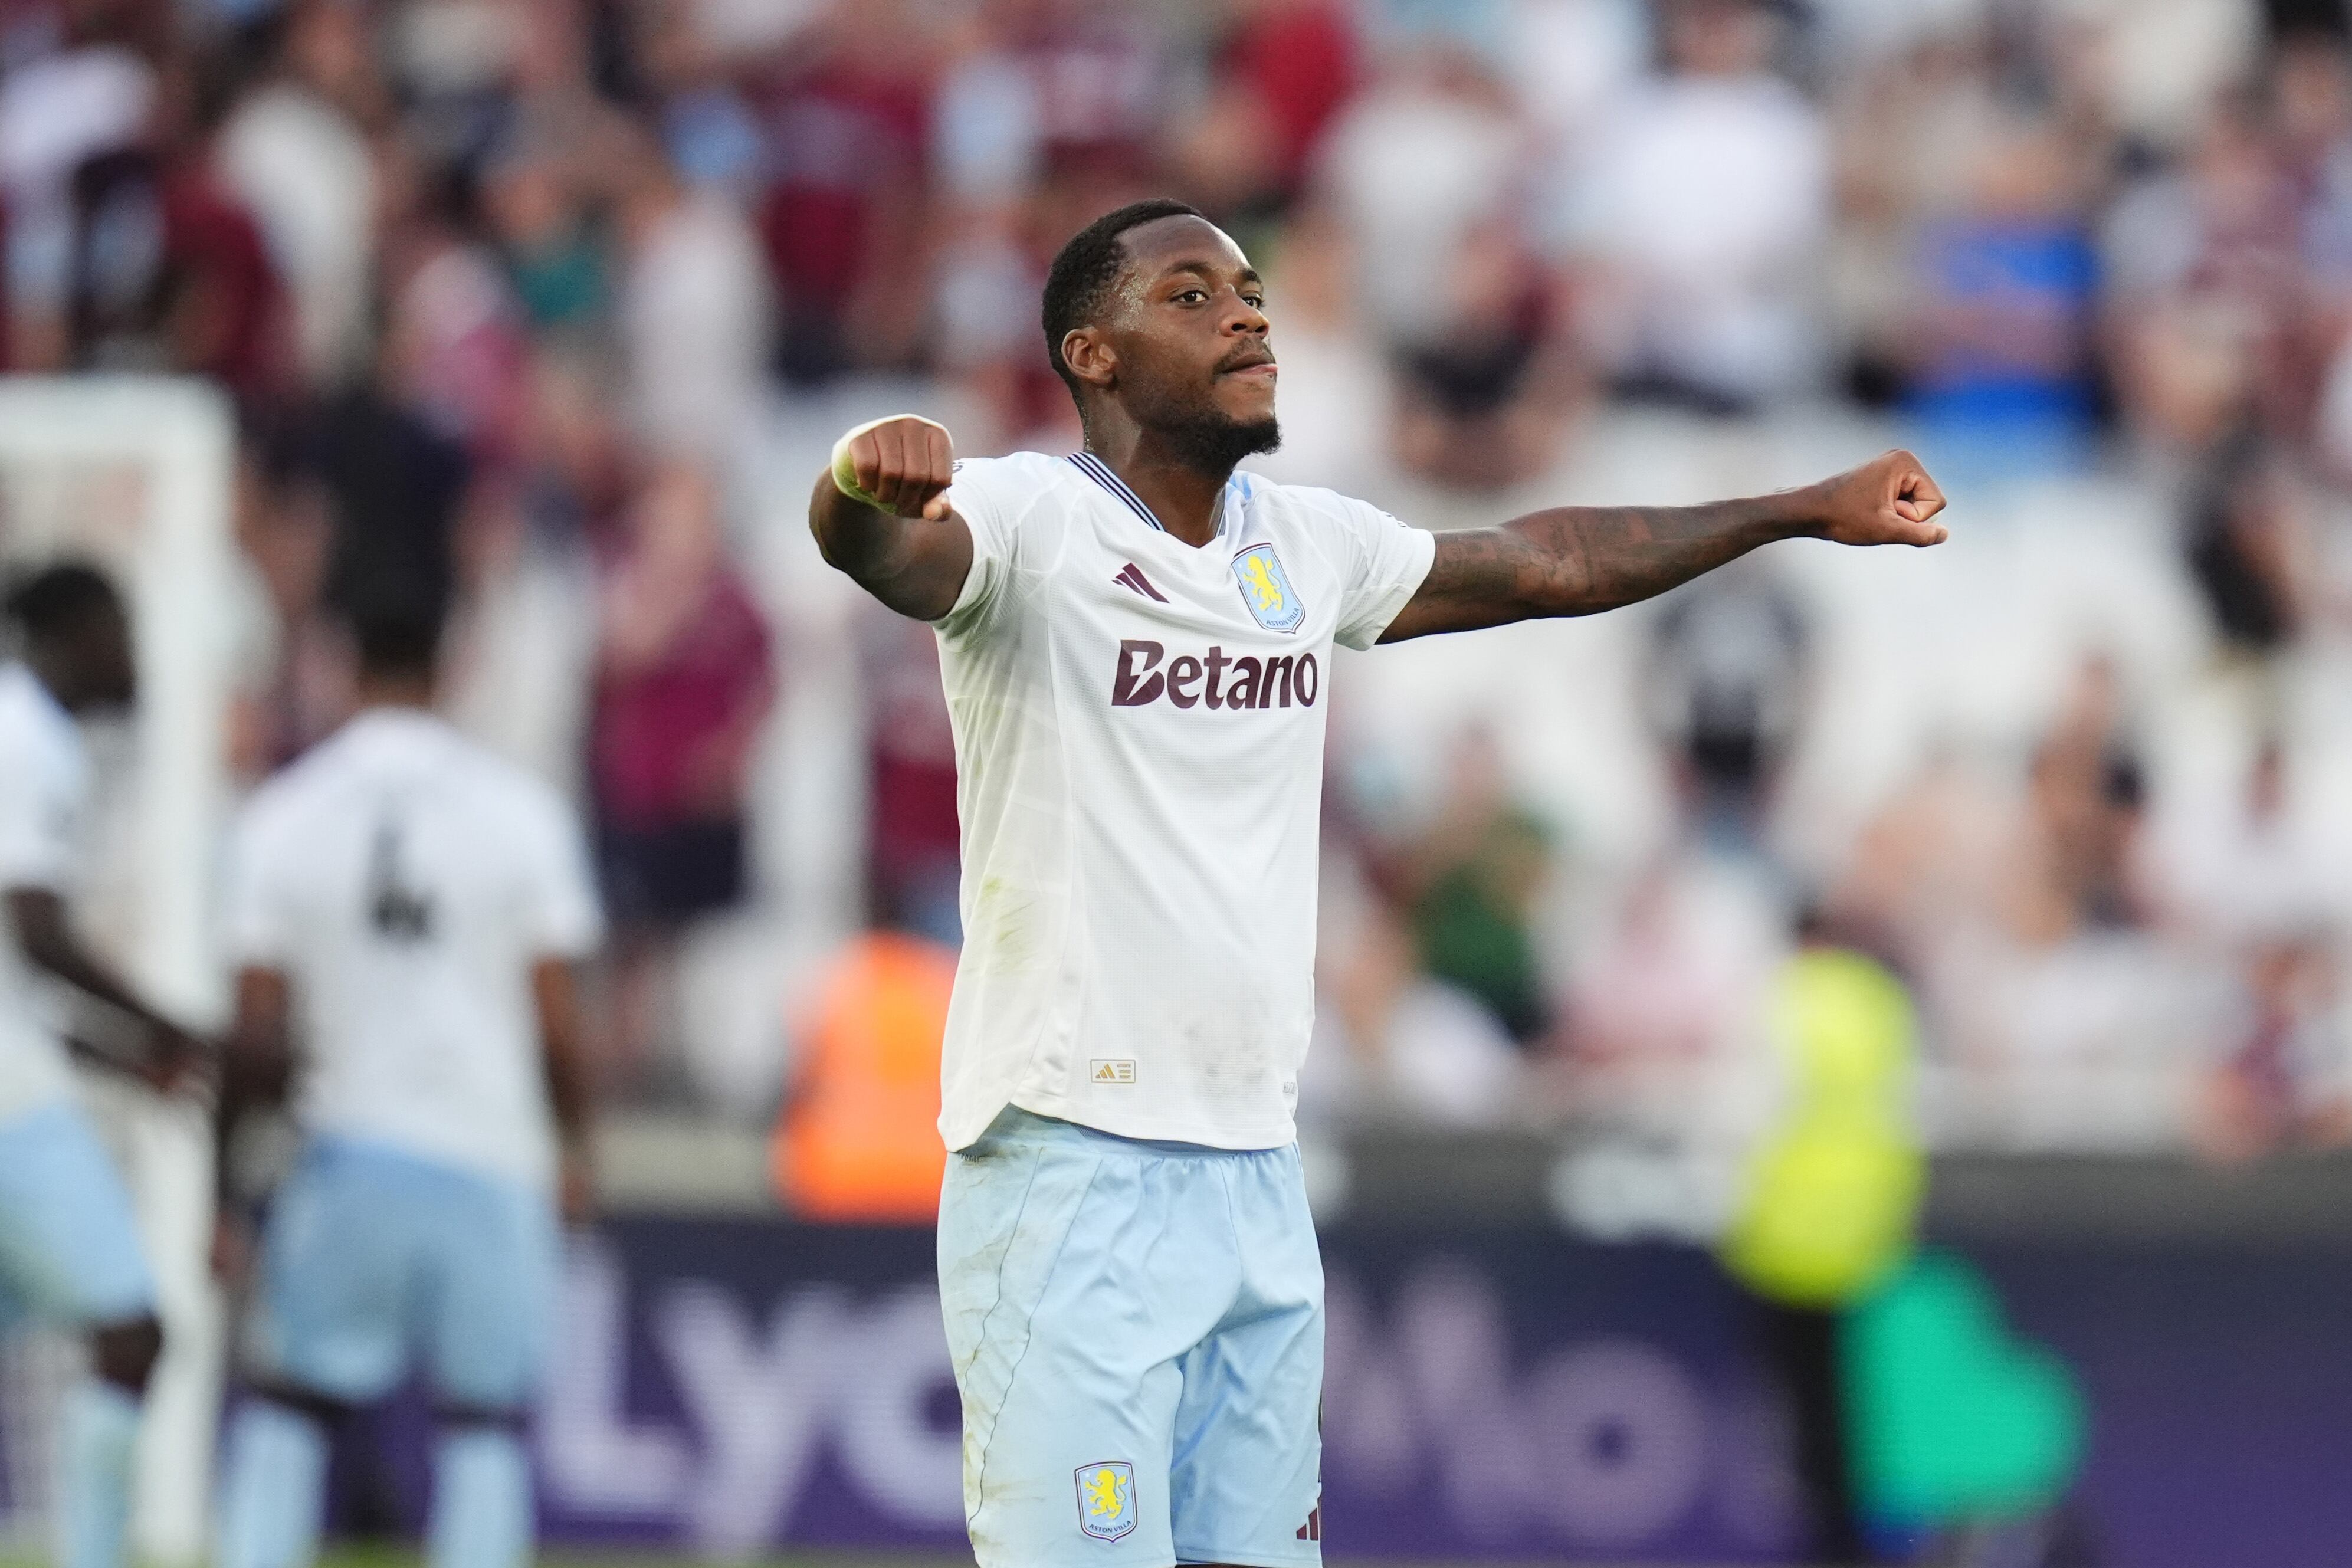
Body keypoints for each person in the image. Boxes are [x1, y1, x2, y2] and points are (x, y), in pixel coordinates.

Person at [809, 197, 1948, 1568]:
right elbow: (895, 554)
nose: (1245, 311)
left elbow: (1547, 563)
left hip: (1252, 1167)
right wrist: (853, 492)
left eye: (1250, 290)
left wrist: (1798, 510)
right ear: (1091, 355)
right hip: (1068, 1160)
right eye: (1190, 294)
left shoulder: (1300, 545)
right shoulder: (1032, 516)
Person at [212, 598, 602, 1568]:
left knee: (289, 1404)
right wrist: (576, 1149)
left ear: (341, 664)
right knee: (486, 1424)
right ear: (451, 664)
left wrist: (223, 1189)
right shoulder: (522, 812)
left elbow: (255, 1030)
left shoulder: (283, 812)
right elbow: (556, 1018)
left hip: (343, 1150)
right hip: (491, 1153)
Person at [0, 562, 206, 1568]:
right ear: (72, 632)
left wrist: (134, 1055)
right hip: (10, 1106)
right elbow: (34, 933)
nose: (131, 652)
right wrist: (181, 1031)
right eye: (119, 624)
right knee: (129, 1332)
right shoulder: (28, 734)